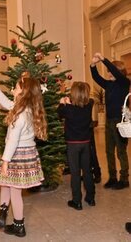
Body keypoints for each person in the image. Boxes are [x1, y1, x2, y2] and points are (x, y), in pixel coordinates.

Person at [0, 74, 47, 237]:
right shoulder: (25, 108)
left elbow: (13, 141)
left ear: (23, 92)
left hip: (16, 155)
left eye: (15, 88)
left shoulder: (20, 115)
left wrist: (5, 161)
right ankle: (2, 211)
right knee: (5, 184)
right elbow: (8, 103)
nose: (13, 90)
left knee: (15, 191)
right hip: (25, 153)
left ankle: (18, 225)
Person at [90, 53, 130, 190]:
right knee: (108, 151)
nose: (108, 74)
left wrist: (103, 59)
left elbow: (114, 72)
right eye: (108, 72)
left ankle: (124, 179)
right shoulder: (108, 85)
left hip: (120, 122)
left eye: (111, 71)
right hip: (109, 121)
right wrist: (93, 65)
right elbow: (96, 77)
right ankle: (112, 177)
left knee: (121, 151)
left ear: (119, 71)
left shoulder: (124, 82)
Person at [57, 82, 95, 210]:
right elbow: (90, 99)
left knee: (75, 173)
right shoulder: (89, 105)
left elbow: (59, 112)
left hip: (73, 145)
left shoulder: (67, 109)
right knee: (87, 171)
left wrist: (63, 101)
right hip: (85, 143)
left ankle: (76, 201)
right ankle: (91, 198)